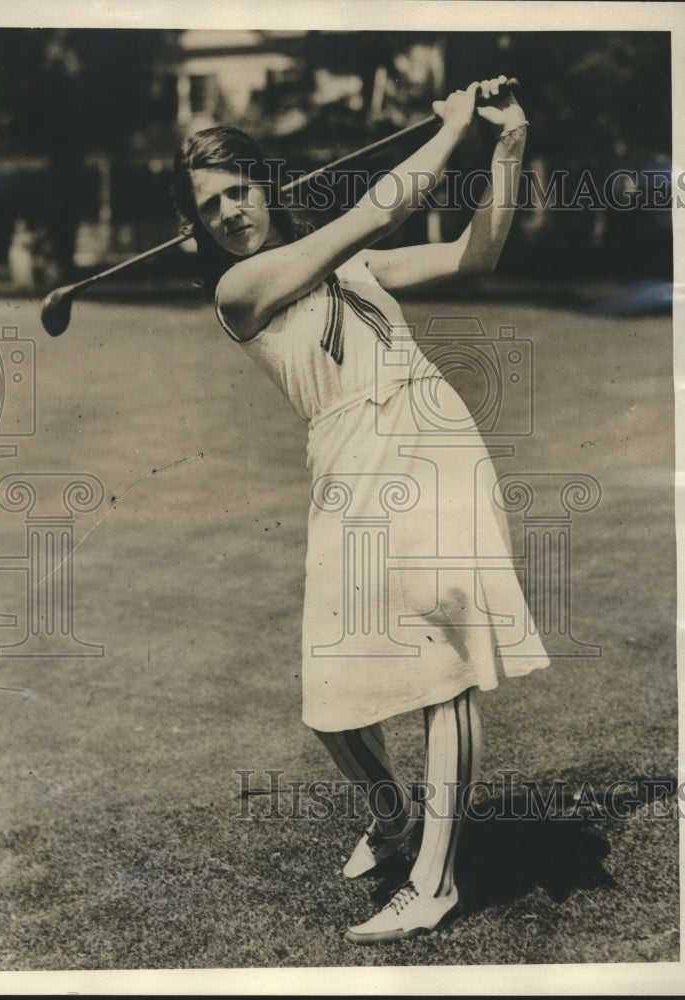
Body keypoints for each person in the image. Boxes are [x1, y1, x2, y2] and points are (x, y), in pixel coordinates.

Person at [174, 76, 549, 945]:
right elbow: (378, 210)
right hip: (348, 459)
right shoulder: (239, 288)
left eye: (239, 190)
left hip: (427, 437)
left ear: (266, 187)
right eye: (210, 205)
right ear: (195, 224)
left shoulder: (350, 265)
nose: (230, 212)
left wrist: (506, 143)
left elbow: (473, 255)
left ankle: (433, 882)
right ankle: (393, 818)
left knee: (446, 663)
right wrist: (449, 128)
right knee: (331, 699)